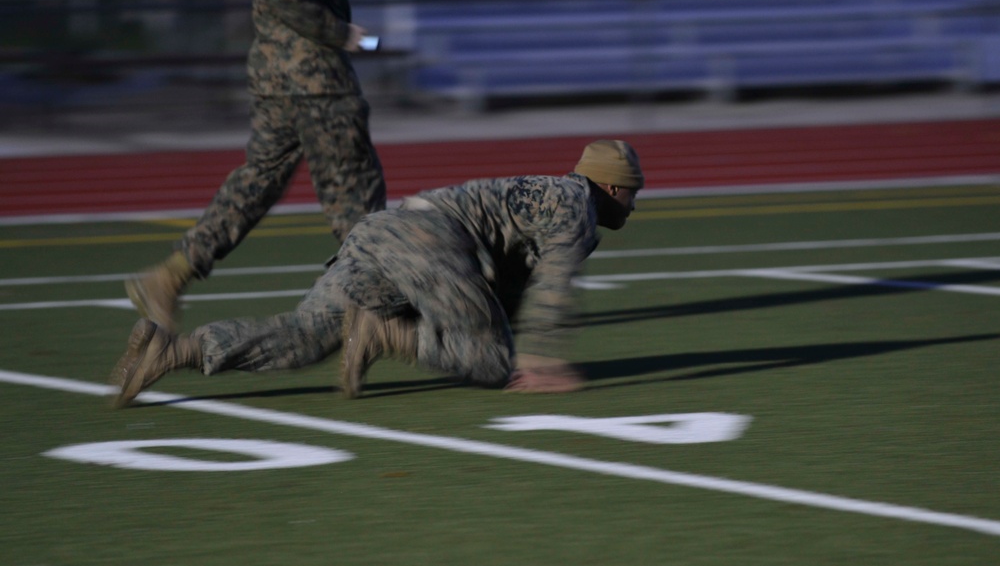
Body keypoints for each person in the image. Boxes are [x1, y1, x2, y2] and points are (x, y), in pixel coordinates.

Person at [109, 140, 644, 406]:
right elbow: (553, 284)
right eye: (632, 193)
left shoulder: (553, 197)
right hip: (429, 243)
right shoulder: (578, 207)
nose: (634, 206)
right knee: (492, 361)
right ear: (612, 187)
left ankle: (172, 351)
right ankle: (381, 333)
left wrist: (498, 325)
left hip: (383, 232)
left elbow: (509, 290)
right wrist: (543, 358)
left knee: (304, 338)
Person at [124, 0, 386, 334]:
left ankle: (169, 277)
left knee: (257, 184)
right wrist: (340, 33)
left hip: (283, 76)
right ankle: (380, 310)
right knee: (357, 193)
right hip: (312, 78)